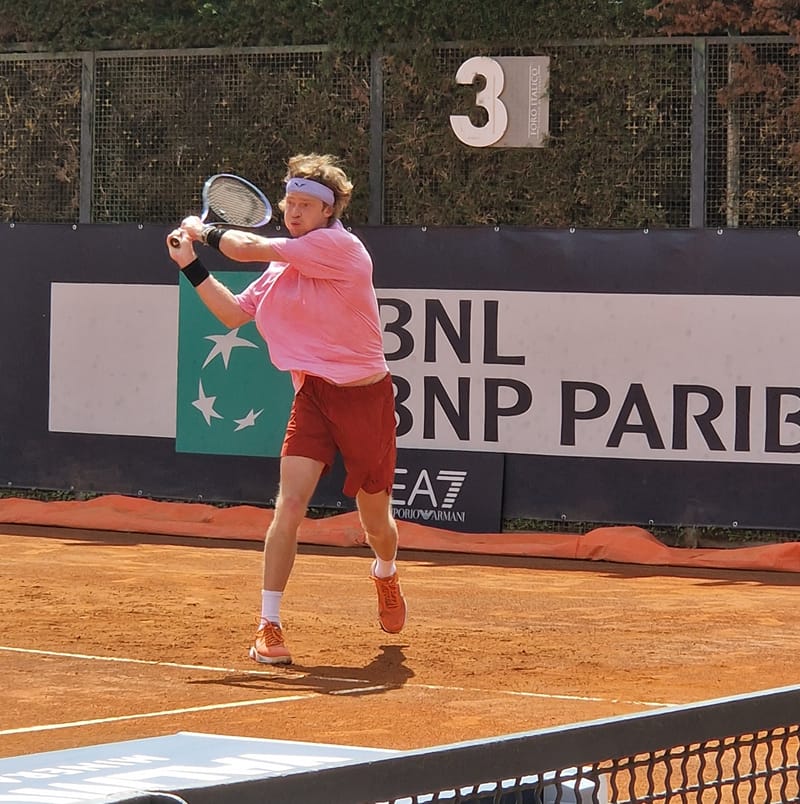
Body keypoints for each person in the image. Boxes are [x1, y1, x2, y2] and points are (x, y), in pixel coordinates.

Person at [166, 153, 406, 665]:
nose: (294, 213)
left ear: (328, 212)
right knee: (289, 504)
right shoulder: (282, 266)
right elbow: (232, 314)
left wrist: (203, 232)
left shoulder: (341, 248)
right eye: (289, 203)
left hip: (366, 398)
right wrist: (191, 265)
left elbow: (246, 245)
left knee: (376, 525)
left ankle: (384, 571)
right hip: (313, 397)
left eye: (305, 205)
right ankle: (268, 625)